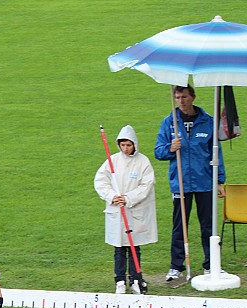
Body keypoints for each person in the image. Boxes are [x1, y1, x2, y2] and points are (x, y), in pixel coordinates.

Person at [154, 85, 225, 282]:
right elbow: (158, 151)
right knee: (179, 226)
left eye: (184, 97)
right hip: (181, 183)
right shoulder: (169, 123)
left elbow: (216, 154)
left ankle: (212, 265)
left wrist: (219, 180)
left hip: (204, 183)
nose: (181, 101)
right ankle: (176, 267)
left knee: (208, 226)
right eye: (177, 97)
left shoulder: (207, 122)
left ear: (192, 97)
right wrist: (171, 147)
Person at [94, 125, 157, 294]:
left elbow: (147, 185)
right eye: (123, 145)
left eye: (128, 145)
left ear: (134, 144)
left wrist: (128, 198)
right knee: (119, 248)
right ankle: (120, 280)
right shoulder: (112, 161)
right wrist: (112, 196)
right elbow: (101, 181)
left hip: (134, 211)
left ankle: (136, 279)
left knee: (134, 247)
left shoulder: (143, 162)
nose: (125, 148)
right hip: (117, 211)